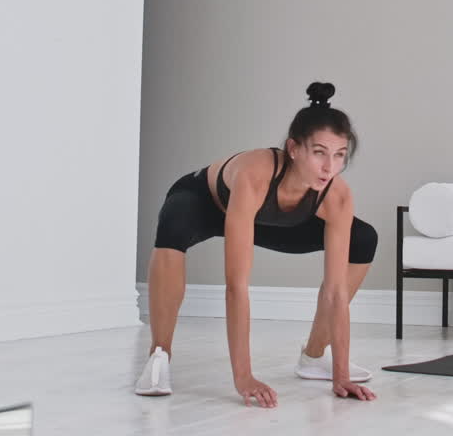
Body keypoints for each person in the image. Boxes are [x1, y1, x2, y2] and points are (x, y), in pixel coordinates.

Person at [135, 82, 378, 407]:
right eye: (319, 152)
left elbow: (336, 291)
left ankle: (315, 356)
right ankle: (159, 356)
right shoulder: (255, 174)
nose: (329, 167)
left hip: (271, 218)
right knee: (173, 226)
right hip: (206, 204)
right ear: (294, 149)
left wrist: (341, 375)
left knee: (363, 237)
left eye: (339, 155)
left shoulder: (337, 195)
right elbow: (236, 285)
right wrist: (244, 377)